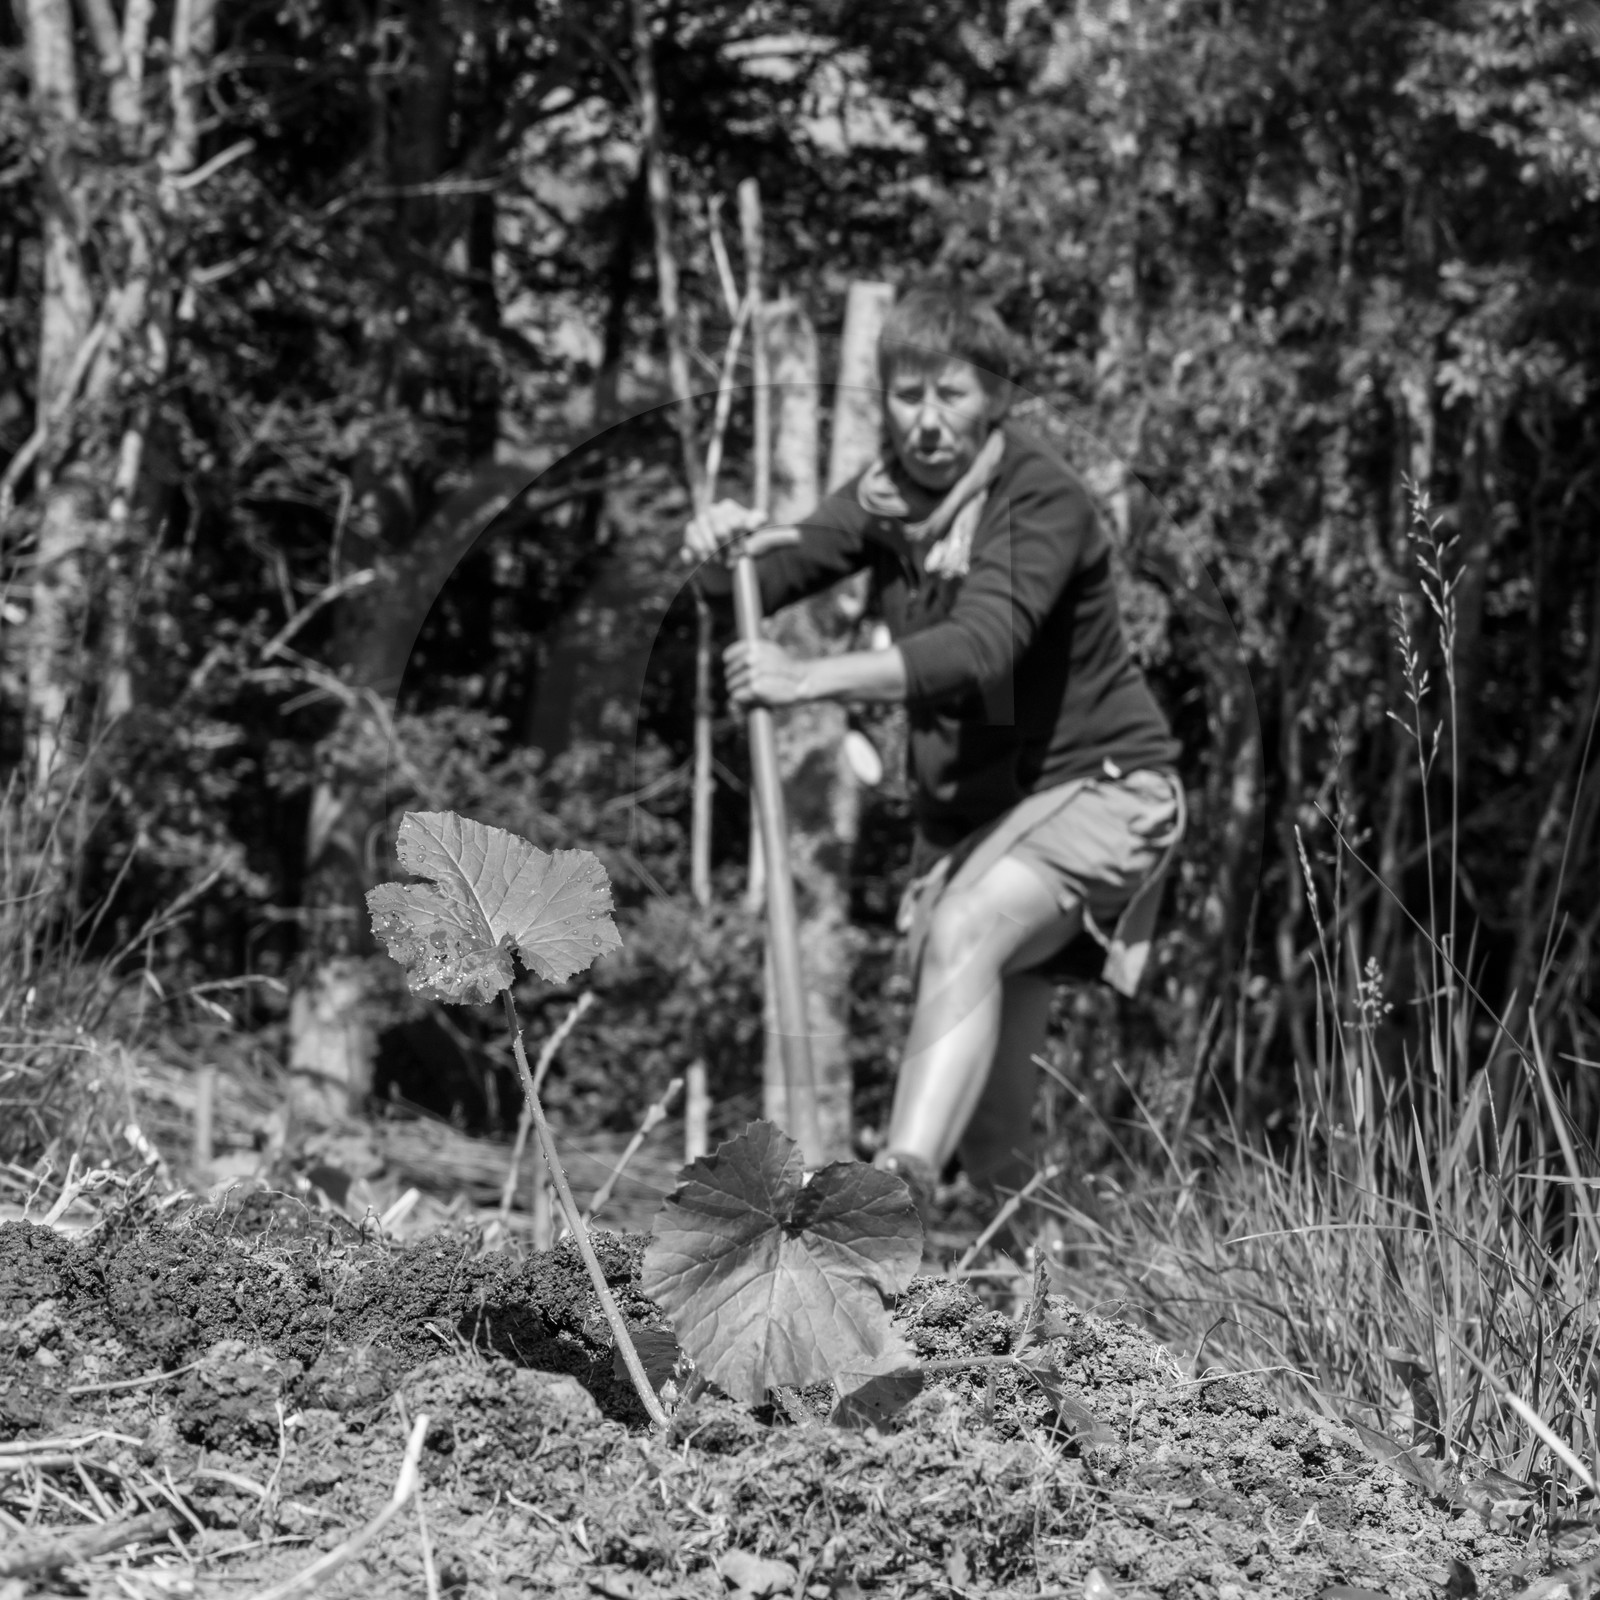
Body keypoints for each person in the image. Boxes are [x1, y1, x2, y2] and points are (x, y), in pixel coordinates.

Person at [680, 283, 1185, 1228]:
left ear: (996, 398)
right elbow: (764, 573)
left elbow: (980, 646)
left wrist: (807, 679)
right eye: (907, 395)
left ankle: (886, 1201)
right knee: (997, 1138)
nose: (927, 421)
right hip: (980, 826)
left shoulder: (1040, 497)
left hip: (1103, 791)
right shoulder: (890, 499)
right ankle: (1047, 1293)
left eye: (951, 395)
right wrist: (718, 547)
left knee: (962, 929)